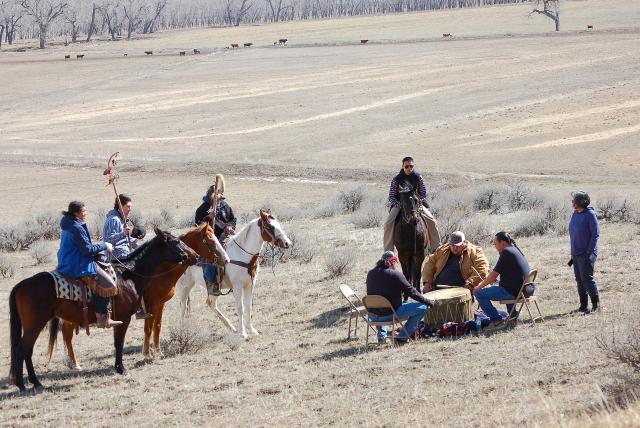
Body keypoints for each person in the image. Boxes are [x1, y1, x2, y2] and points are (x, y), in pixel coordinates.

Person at [57, 201, 122, 328]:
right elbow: (87, 250)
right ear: (76, 213)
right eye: (83, 212)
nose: (85, 214)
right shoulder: (76, 227)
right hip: (77, 264)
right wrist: (104, 245)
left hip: (66, 261)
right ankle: (101, 317)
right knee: (109, 285)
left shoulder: (68, 223)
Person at [366, 251, 431, 343]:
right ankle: (402, 337)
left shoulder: (370, 273)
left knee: (379, 304)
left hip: (373, 316)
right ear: (393, 262)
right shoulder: (395, 274)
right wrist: (427, 301)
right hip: (391, 314)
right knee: (423, 307)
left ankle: (382, 336)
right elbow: (412, 292)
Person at [103, 194, 150, 320]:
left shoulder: (122, 219)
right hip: (117, 255)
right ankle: (137, 307)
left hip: (125, 252)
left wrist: (141, 246)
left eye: (131, 206)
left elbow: (128, 239)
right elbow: (107, 240)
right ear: (120, 206)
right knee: (137, 275)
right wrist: (122, 233)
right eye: (128, 206)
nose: (130, 209)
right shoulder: (114, 220)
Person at [472, 231, 530, 329]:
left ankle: (496, 320)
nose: (495, 246)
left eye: (495, 244)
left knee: (479, 293)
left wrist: (479, 286)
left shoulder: (506, 252)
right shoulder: (515, 250)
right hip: (525, 290)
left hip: (514, 292)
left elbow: (493, 275)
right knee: (504, 286)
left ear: (502, 243)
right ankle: (513, 316)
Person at [383, 156, 440, 253]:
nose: (409, 168)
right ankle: (388, 253)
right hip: (399, 205)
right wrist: (400, 205)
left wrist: (417, 201)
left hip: (416, 205)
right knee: (388, 223)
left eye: (411, 166)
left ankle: (436, 249)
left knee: (432, 220)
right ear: (402, 166)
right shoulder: (396, 179)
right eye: (407, 166)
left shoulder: (418, 178)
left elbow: (423, 194)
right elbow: (391, 197)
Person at [194, 185, 237, 296]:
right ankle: (212, 284)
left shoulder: (225, 206)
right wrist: (208, 217)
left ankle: (236, 278)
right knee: (212, 257)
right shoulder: (202, 209)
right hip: (209, 239)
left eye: (220, 196)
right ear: (210, 196)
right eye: (216, 197)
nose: (219, 200)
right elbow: (198, 224)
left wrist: (230, 227)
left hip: (225, 236)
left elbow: (233, 219)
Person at [421, 231, 490, 293]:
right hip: (438, 289)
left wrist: (471, 283)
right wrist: (427, 282)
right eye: (452, 245)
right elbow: (429, 265)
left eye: (458, 245)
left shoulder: (475, 251)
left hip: (462, 291)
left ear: (465, 242)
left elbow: (482, 268)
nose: (455, 248)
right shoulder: (442, 250)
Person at [569, 191, 600, 313]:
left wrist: (589, 252)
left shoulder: (590, 215)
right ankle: (583, 306)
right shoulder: (575, 214)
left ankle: (596, 306)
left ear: (581, 202)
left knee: (587, 279)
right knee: (579, 279)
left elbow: (595, 235)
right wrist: (572, 252)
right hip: (576, 253)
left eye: (574, 201)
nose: (572, 203)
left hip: (587, 253)